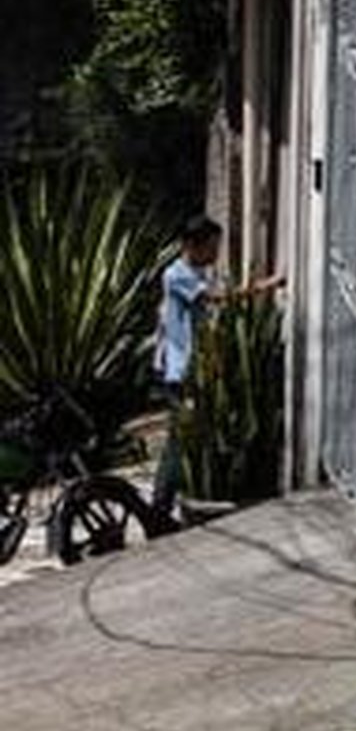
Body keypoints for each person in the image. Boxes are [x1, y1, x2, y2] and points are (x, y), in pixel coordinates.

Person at [151, 219, 219, 524]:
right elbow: (212, 300)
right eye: (212, 246)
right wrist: (266, 287)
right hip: (179, 371)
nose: (216, 252)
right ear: (193, 245)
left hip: (191, 368)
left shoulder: (194, 273)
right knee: (179, 439)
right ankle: (160, 508)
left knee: (187, 436)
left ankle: (170, 503)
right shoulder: (176, 275)